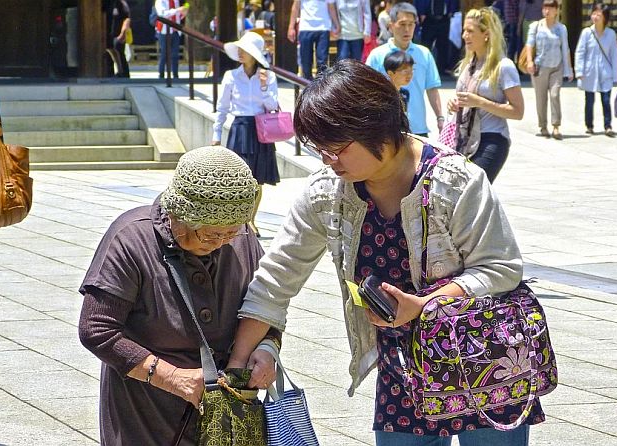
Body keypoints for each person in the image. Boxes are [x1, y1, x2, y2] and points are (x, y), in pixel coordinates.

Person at [226, 59, 543, 446]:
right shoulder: (327, 193)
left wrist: (423, 305)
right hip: (403, 370)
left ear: (376, 127)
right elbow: (276, 280)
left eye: (338, 148)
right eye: (319, 149)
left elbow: (500, 267)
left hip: (483, 359)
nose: (329, 160)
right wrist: (238, 365)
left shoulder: (455, 181)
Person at [78, 146, 281, 445]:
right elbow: (97, 329)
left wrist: (267, 349)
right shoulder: (131, 239)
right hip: (147, 410)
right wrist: (172, 377)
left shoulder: (242, 240)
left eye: (231, 233)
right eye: (211, 234)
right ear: (179, 214)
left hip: (227, 417)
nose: (221, 243)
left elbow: (266, 306)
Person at [212, 32, 280, 237]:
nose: (241, 53)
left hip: (260, 127)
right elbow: (222, 107)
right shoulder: (231, 76)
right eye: (240, 49)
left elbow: (273, 106)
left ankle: (251, 219)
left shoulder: (268, 76)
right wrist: (216, 133)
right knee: (239, 177)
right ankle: (239, 219)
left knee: (257, 179)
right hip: (240, 127)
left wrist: (264, 86)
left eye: (246, 50)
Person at [447, 7, 524, 183]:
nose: (465, 35)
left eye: (470, 31)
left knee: (472, 189)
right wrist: (453, 102)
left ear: (486, 34)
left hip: (492, 139)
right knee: (462, 196)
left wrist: (480, 102)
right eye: (464, 31)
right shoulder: (468, 65)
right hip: (464, 139)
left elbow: (518, 112)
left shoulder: (504, 66)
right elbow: (462, 98)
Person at [367, 2, 443, 137]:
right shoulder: (377, 55)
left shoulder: (424, 54)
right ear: (391, 25)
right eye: (402, 24)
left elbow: (432, 88)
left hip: (418, 129)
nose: (407, 29)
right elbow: (367, 90)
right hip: (387, 129)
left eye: (411, 24)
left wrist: (440, 117)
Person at [524, 0, 573, 139]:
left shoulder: (561, 28)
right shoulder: (536, 26)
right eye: (545, 8)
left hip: (556, 67)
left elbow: (565, 48)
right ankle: (543, 125)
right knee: (541, 98)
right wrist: (529, 61)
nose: (547, 11)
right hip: (539, 67)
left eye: (551, 8)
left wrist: (568, 69)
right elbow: (529, 44)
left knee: (555, 95)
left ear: (556, 11)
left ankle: (556, 125)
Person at [575, 3, 617, 137]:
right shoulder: (587, 32)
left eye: (598, 14)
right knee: (589, 101)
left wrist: (616, 75)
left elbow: (614, 54)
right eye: (593, 14)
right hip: (590, 71)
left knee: (606, 100)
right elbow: (580, 52)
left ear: (605, 17)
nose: (595, 17)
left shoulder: (610, 34)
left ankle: (608, 125)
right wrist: (579, 71)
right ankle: (589, 125)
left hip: (605, 72)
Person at [288, 0, 341, 81]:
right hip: (305, 27)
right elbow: (295, 7)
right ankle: (307, 84)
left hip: (323, 27)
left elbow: (331, 7)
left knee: (322, 60)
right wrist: (291, 27)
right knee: (305, 60)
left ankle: (321, 86)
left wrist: (336, 24)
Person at [414, 0, 458, 75]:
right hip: (428, 19)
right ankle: (423, 68)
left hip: (444, 19)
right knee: (426, 45)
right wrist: (421, 12)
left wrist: (452, 10)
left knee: (443, 46)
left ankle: (441, 70)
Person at [155, 0, 189, 79]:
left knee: (175, 54)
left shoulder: (176, 1)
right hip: (164, 30)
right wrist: (177, 10)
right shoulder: (160, 1)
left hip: (175, 30)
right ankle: (161, 74)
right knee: (164, 53)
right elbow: (162, 14)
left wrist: (183, 13)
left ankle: (175, 75)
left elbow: (180, 11)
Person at [106, 0, 131, 78]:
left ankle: (124, 74)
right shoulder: (107, 3)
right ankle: (110, 74)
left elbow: (127, 19)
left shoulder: (121, 3)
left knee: (119, 52)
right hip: (108, 33)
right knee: (108, 54)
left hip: (118, 33)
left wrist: (123, 32)